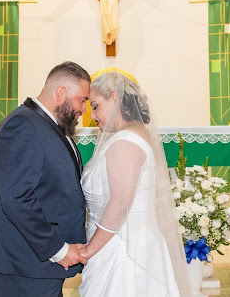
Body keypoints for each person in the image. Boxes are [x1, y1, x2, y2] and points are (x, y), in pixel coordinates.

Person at [78, 71, 190, 296]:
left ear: (115, 97)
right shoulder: (133, 134)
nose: (92, 115)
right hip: (130, 242)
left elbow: (120, 205)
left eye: (96, 105)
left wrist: (90, 250)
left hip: (124, 249)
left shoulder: (125, 142)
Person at [0, 61, 91, 297]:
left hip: (38, 266)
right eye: (82, 100)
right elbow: (16, 197)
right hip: (25, 264)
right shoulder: (23, 125)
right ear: (61, 92)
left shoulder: (48, 125)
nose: (84, 109)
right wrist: (58, 249)